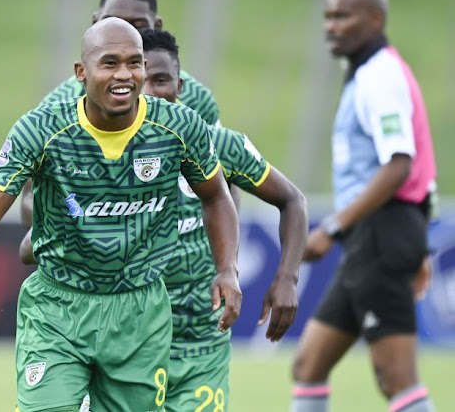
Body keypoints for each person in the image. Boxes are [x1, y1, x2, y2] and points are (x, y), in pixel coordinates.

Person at [0, 18, 241, 412]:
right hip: (59, 308)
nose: (124, 74)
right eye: (109, 63)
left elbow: (216, 197)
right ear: (81, 72)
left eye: (134, 63)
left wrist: (226, 268)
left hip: (140, 312)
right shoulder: (42, 129)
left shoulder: (178, 126)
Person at [19, 28, 308, 412]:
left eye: (162, 80)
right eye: (146, 80)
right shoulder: (103, 159)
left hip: (198, 342)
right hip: (125, 336)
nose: (151, 91)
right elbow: (37, 234)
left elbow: (291, 199)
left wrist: (285, 277)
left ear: (180, 86)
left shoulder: (215, 146)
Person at [290, 0, 437, 412]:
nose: (331, 26)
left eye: (342, 15)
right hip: (379, 237)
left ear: (375, 19)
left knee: (396, 379)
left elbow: (400, 164)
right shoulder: (371, 73)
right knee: (308, 365)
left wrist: (332, 228)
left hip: (380, 234)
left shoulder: (379, 77)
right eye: (327, 17)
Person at [21, 0, 227, 225]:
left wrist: (224, 259)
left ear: (157, 26)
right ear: (95, 22)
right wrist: (79, 224)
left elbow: (224, 181)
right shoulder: (58, 104)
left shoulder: (196, 99)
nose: (124, 33)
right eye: (112, 22)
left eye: (138, 25)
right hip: (86, 253)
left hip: (169, 248)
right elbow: (29, 198)